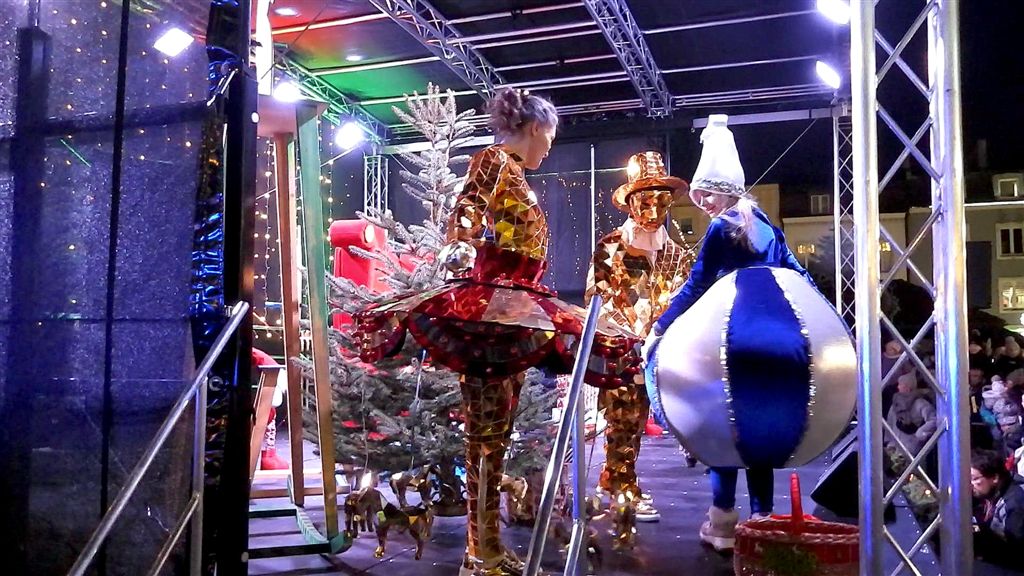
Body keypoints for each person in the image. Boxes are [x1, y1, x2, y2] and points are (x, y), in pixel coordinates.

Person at [354, 88, 637, 576]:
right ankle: (480, 552)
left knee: (495, 434)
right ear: (535, 127)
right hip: (490, 311)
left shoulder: (517, 175)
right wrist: (461, 247)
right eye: (549, 136)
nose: (549, 146)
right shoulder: (493, 160)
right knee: (486, 436)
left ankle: (485, 545)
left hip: (514, 308)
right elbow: (468, 208)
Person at [642, 114, 815, 552]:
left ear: (723, 191)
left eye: (706, 194)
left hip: (733, 341)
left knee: (723, 431)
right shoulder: (767, 227)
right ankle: (761, 522)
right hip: (776, 340)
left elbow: (697, 284)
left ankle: (722, 523)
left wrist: (660, 326)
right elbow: (800, 277)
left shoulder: (722, 227)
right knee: (757, 432)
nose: (701, 202)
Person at [585, 151, 695, 522]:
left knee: (637, 420)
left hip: (657, 351)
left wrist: (662, 333)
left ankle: (616, 479)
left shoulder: (675, 254)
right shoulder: (611, 247)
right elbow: (597, 296)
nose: (653, 210)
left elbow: (682, 299)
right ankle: (623, 486)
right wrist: (630, 331)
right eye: (645, 201)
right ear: (631, 202)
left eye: (661, 202)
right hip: (620, 349)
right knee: (622, 419)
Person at [971, 450, 1024, 568]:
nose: (970, 484)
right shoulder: (990, 491)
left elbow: (1017, 553)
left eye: (974, 479)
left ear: (995, 478)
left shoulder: (1015, 504)